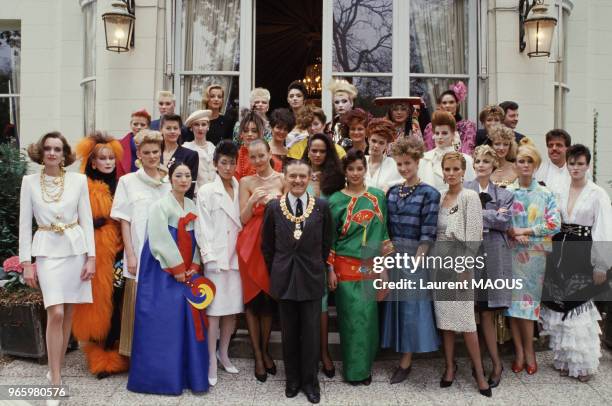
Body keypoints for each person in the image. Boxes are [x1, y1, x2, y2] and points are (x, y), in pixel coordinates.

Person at [127, 163, 215, 395]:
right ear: (170, 178)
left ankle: (189, 375)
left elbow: (199, 237)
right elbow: (159, 239)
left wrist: (195, 265)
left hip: (187, 270)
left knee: (187, 318)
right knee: (163, 321)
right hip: (162, 270)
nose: (184, 180)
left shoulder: (191, 205)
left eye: (187, 176)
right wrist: (177, 268)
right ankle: (160, 378)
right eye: (179, 175)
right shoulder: (160, 206)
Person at [19, 132, 95, 398]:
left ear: (65, 154)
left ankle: (56, 369)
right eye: (48, 148)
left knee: (68, 314)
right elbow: (24, 226)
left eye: (58, 149)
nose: (52, 153)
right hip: (47, 251)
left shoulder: (78, 181)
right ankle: (55, 384)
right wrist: (26, 263)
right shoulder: (29, 182)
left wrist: (92, 258)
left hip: (75, 250)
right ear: (41, 152)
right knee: (57, 313)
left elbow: (86, 220)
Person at [262, 160, 333, 404]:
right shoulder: (274, 207)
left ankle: (310, 383)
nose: (298, 181)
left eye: (303, 176)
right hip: (284, 277)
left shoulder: (321, 207)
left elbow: (327, 243)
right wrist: (279, 269)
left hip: (312, 276)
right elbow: (267, 246)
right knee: (289, 333)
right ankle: (292, 380)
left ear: (310, 177)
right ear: (285, 177)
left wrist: (318, 266)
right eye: (293, 176)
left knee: (312, 334)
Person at [541, 144, 612, 382]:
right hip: (560, 249)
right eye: (572, 163)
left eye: (580, 163)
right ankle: (565, 361)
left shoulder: (597, 193)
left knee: (580, 308)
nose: (575, 168)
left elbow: (603, 230)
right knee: (560, 307)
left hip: (584, 252)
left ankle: (584, 365)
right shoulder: (558, 189)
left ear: (588, 165)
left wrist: (601, 264)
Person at [327, 149, 393, 385]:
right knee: (351, 321)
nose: (355, 173)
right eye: (351, 168)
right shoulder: (335, 200)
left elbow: (382, 234)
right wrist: (330, 269)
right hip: (345, 267)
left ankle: (365, 369)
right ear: (345, 171)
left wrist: (383, 269)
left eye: (359, 168)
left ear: (365, 170)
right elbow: (330, 239)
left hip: (370, 266)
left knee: (368, 322)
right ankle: (354, 373)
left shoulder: (377, 197)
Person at [380, 137, 440, 385]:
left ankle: (406, 361)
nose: (404, 168)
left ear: (417, 162)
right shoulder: (393, 191)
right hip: (393, 255)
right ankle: (397, 351)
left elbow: (428, 230)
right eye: (400, 164)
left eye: (408, 163)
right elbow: (386, 226)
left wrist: (418, 260)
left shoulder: (430, 193)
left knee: (411, 309)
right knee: (395, 307)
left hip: (416, 255)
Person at [432, 152, 490, 397]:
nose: (451, 173)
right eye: (447, 169)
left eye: (456, 169)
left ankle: (478, 371)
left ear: (463, 171)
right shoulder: (441, 197)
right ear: (442, 171)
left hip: (461, 263)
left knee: (466, 322)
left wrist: (465, 268)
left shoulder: (470, 196)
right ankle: (449, 366)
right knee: (445, 322)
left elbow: (475, 235)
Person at [72, 132, 128, 379]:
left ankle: (115, 350)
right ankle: (100, 355)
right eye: (102, 159)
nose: (108, 163)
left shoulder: (122, 185)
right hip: (93, 252)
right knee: (97, 304)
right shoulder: (82, 186)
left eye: (111, 158)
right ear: (93, 162)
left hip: (119, 252)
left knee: (116, 300)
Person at [111, 130, 171, 357]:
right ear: (139, 154)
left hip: (164, 254)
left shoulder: (168, 181)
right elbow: (124, 221)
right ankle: (136, 356)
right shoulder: (127, 181)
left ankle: (158, 354)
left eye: (156, 151)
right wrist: (131, 254)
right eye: (147, 152)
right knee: (137, 304)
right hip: (138, 250)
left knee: (160, 305)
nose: (152, 156)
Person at [505, 141, 561, 375]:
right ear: (515, 165)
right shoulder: (508, 193)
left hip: (534, 257)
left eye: (529, 161)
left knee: (527, 307)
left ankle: (530, 352)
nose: (525, 165)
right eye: (521, 161)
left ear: (535, 165)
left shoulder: (545, 193)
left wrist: (526, 231)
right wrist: (511, 232)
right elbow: (501, 222)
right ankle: (518, 351)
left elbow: (554, 224)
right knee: (511, 307)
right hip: (510, 254)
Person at [464, 145, 514, 388]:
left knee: (486, 311)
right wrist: (491, 214)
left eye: (486, 161)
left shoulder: (504, 194)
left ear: (494, 165)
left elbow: (505, 222)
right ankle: (476, 364)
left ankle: (495, 364)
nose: (481, 164)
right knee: (470, 311)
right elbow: (461, 218)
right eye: (477, 161)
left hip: (493, 256)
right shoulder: (464, 190)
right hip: (470, 256)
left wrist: (479, 214)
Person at [195, 140, 243, 386]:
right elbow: (201, 227)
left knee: (231, 311)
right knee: (213, 312)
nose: (228, 167)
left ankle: (223, 353)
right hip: (215, 258)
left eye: (232, 162)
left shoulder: (239, 186)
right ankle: (210, 359)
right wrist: (208, 256)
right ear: (215, 164)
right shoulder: (205, 191)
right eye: (224, 162)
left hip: (236, 258)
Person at [237, 139, 284, 382]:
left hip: (274, 243)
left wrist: (274, 204)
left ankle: (265, 350)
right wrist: (254, 200)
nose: (257, 161)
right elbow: (243, 219)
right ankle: (257, 355)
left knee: (268, 301)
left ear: (269, 154)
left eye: (261, 155)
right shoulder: (245, 182)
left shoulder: (282, 179)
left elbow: (291, 213)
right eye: (252, 157)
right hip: (250, 245)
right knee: (253, 301)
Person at [300, 133, 346, 378]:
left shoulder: (336, 179)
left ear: (328, 153)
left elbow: (336, 219)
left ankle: (324, 353)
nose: (316, 155)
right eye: (313, 150)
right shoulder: (298, 174)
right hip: (299, 249)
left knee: (322, 304)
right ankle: (305, 353)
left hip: (324, 247)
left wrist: (330, 263)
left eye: (321, 151)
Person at [419, 111, 475, 192]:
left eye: (444, 133)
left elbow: (472, 189)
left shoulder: (466, 160)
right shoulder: (424, 159)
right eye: (437, 133)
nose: (440, 137)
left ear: (453, 134)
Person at [423, 82, 476, 155]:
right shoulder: (431, 127)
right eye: (444, 103)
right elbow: (429, 149)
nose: (447, 105)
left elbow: (467, 149)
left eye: (451, 102)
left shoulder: (467, 126)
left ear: (457, 104)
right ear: (440, 105)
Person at [535, 129, 585, 199]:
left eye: (559, 145)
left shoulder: (579, 170)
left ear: (568, 149)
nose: (554, 148)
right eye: (550, 145)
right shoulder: (538, 170)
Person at [160, 113, 199, 199]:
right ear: (161, 130)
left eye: (175, 128)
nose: (172, 131)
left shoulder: (190, 155)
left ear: (180, 131)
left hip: (179, 203)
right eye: (168, 128)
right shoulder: (155, 153)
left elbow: (190, 187)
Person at [235, 110, 282, 180]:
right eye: (246, 130)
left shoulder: (274, 161)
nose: (249, 134)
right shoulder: (233, 157)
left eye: (254, 131)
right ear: (241, 134)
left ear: (260, 133)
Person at [364, 118, 403, 193]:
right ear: (368, 139)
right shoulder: (360, 161)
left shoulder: (394, 165)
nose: (376, 145)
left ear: (387, 145)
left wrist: (390, 186)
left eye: (381, 143)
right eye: (373, 141)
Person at [183, 109, 216, 192]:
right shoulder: (186, 148)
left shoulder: (213, 147)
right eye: (196, 125)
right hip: (196, 195)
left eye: (203, 124)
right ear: (191, 128)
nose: (200, 128)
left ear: (208, 127)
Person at [117, 108, 151, 178]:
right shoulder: (118, 145)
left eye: (142, 125)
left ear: (148, 127)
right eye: (135, 124)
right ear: (130, 125)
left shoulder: (155, 145)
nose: (138, 127)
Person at [325, 79, 358, 144]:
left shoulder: (359, 124)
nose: (340, 105)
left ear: (351, 103)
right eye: (337, 102)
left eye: (344, 101)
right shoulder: (329, 126)